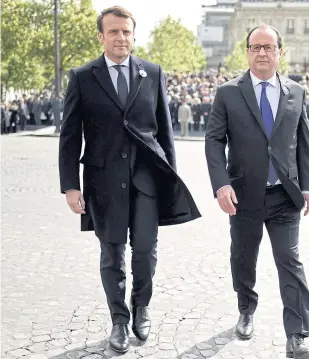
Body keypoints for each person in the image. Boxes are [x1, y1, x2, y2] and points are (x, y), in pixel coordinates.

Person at [58, 6, 201, 353]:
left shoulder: (151, 73)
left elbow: (165, 133)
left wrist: (171, 179)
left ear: (133, 35)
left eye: (126, 32)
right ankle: (119, 321)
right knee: (112, 254)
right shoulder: (82, 76)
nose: (121, 37)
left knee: (146, 252)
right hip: (102, 181)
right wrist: (70, 185)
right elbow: (69, 136)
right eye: (113, 32)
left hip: (147, 180)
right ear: (101, 36)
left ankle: (141, 307)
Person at [205, 24, 309, 359]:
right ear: (247, 52)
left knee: (290, 261)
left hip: (285, 196)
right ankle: (246, 309)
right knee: (243, 258)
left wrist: (308, 186)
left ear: (280, 51)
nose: (262, 53)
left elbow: (303, 142)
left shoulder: (296, 91)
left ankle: (297, 335)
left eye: (269, 47)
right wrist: (221, 184)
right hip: (243, 196)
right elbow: (214, 140)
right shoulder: (228, 93)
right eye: (256, 47)